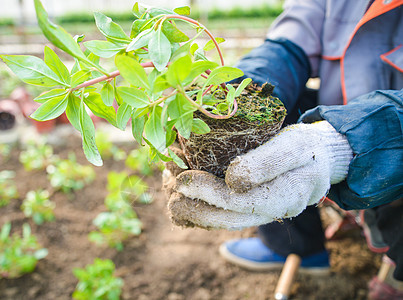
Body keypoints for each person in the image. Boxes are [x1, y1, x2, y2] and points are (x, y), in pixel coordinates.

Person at [164, 0, 402, 298]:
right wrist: (240, 92)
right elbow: (288, 47)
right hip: (342, 115)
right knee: (274, 107)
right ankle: (295, 246)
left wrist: (344, 146)